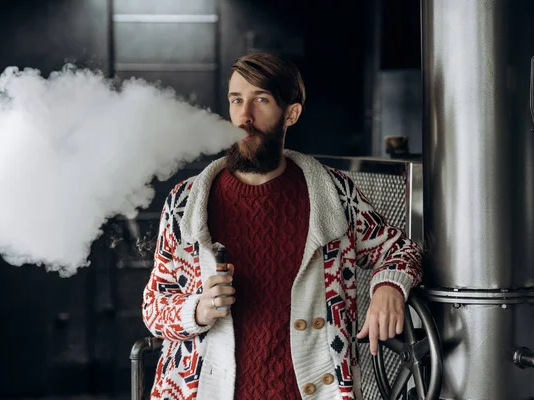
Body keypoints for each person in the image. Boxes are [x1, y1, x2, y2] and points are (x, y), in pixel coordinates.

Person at [142, 52, 422, 400]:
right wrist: (198, 309)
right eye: (236, 101)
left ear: (291, 113)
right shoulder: (185, 201)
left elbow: (400, 250)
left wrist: (389, 288)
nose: (243, 117)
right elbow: (154, 307)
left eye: (260, 100)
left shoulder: (334, 193)